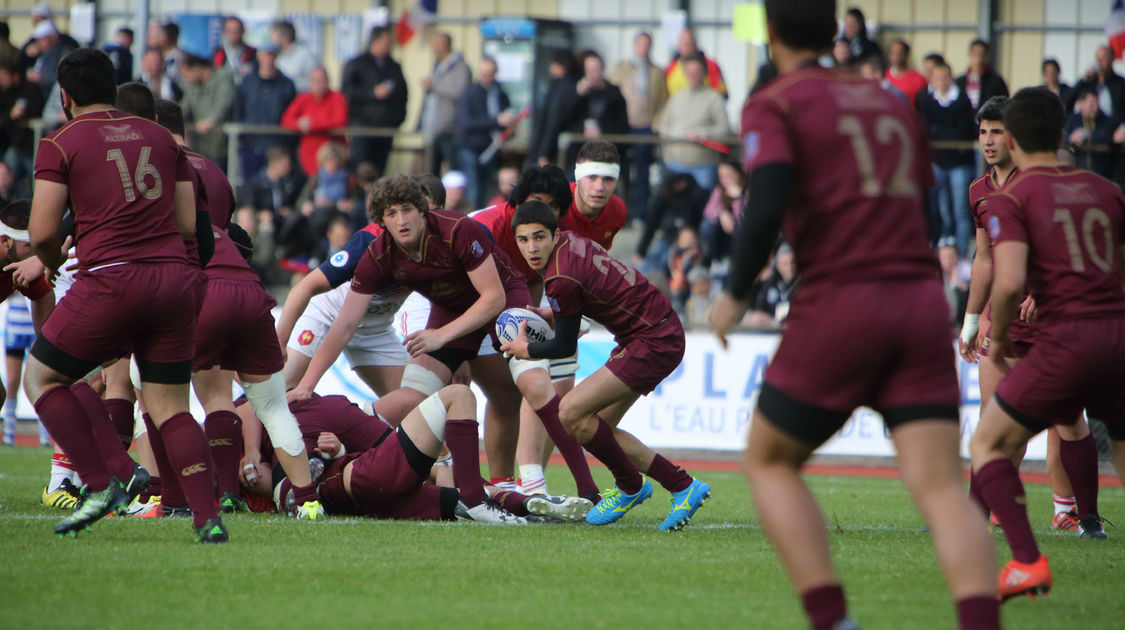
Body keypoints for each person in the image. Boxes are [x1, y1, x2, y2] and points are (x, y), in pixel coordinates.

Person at [710, 1, 1000, 627]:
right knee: (943, 488)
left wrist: (734, 292)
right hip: (920, 301)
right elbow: (922, 205)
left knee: (769, 459)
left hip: (843, 299)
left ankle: (833, 620)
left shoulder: (777, 100)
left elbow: (768, 195)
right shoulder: (889, 99)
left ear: (770, 32)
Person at [24, 49, 227, 541]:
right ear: (114, 91)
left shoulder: (60, 141)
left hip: (112, 279)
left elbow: (44, 231)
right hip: (173, 280)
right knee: (170, 406)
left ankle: (100, 483)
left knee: (42, 378)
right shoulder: (161, 136)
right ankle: (208, 519)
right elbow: (184, 223)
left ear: (66, 96)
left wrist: (52, 267)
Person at [967, 86, 1125, 600]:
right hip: (1117, 336)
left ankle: (1028, 562)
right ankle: (1083, 517)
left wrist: (999, 336)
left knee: (989, 441)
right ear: (1062, 134)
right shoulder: (1107, 190)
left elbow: (1008, 281)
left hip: (1068, 338)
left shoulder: (1016, 197)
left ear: (1010, 138)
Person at [504, 201, 711, 530]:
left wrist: (524, 348)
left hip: (653, 339)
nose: (532, 247)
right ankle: (663, 486)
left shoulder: (560, 276)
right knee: (595, 426)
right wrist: (556, 315)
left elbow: (564, 346)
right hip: (649, 331)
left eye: (539, 237)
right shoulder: (570, 243)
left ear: (555, 234)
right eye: (523, 240)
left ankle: (645, 486)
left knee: (570, 411)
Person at [0, 201, 54, 447]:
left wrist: (45, 348)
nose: (36, 256)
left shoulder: (21, 266)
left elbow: (43, 294)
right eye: (29, 247)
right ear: (5, 241)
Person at [916, 61, 978, 256]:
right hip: (936, 162)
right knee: (939, 210)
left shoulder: (962, 100)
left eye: (945, 77)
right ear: (932, 79)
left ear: (951, 78)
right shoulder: (926, 99)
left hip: (960, 163)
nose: (942, 82)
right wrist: (945, 134)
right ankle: (941, 252)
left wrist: (940, 133)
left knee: (960, 211)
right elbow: (924, 129)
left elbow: (965, 130)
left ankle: (960, 255)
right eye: (938, 78)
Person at [610, 32, 667, 222]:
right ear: (635, 46)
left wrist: (655, 126)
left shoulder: (657, 73)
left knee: (642, 172)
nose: (644, 49)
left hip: (645, 128)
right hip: (623, 128)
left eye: (647, 45)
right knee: (620, 171)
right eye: (641, 45)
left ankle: (640, 214)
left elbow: (662, 103)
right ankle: (620, 213)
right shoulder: (621, 68)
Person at [658, 54, 730, 192]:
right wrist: (668, 156)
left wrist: (702, 135)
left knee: (703, 207)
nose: (693, 75)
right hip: (676, 164)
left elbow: (724, 130)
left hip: (704, 165)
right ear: (685, 74)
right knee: (677, 206)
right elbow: (663, 127)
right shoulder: (676, 97)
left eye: (697, 71)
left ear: (704, 73)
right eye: (690, 72)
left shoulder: (714, 98)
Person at [341, 26, 407, 175]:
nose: (389, 45)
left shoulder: (393, 67)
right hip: (363, 125)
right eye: (386, 41)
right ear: (374, 41)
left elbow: (403, 94)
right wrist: (372, 93)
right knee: (361, 168)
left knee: (379, 170)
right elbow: (347, 91)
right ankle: (360, 197)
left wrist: (398, 120)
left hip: (385, 127)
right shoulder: (357, 64)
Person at [454, 57, 513, 208]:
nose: (486, 77)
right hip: (470, 146)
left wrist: (508, 126)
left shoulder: (500, 93)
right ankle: (469, 222)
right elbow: (466, 123)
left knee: (487, 189)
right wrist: (496, 121)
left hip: (491, 147)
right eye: (484, 73)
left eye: (490, 73)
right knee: (473, 189)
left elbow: (505, 119)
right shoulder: (469, 92)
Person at [234, 41, 297, 183]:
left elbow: (292, 113)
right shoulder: (247, 82)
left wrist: (287, 144)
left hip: (277, 146)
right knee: (250, 187)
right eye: (265, 54)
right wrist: (240, 138)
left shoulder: (287, 84)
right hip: (251, 145)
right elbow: (239, 110)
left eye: (271, 54)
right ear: (258, 56)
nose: (268, 58)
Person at [281, 66, 348, 178]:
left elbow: (339, 122)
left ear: (327, 81)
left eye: (321, 80)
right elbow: (286, 120)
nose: (318, 84)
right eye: (315, 80)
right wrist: (298, 124)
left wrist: (312, 124)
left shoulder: (337, 98)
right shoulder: (303, 98)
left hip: (332, 155)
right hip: (308, 155)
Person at [420, 32, 470, 174]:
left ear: (444, 45)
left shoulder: (460, 67)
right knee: (430, 171)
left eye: (435, 43)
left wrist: (434, 85)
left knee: (454, 171)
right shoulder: (437, 65)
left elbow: (460, 92)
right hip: (432, 129)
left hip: (449, 129)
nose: (432, 47)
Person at [179, 54, 237, 171]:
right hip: (200, 148)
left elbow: (224, 103)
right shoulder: (192, 87)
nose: (186, 78)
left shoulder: (223, 77)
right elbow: (183, 108)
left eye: (187, 74)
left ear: (197, 68)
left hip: (221, 148)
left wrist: (211, 121)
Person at [527, 51, 581, 168]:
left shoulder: (559, 87)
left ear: (561, 67)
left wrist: (544, 152)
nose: (550, 68)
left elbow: (553, 120)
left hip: (553, 149)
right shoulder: (574, 87)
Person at [0, 60, 45, 185]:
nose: (2, 81)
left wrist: (21, 114)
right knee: (4, 178)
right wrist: (11, 115)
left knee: (37, 182)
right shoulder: (4, 93)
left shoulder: (31, 88)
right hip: (15, 145)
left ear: (15, 75)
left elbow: (37, 112)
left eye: (4, 77)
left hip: (33, 146)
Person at [700, 158, 747, 267]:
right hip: (722, 232)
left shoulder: (748, 191)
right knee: (706, 226)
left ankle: (737, 262)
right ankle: (717, 260)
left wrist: (737, 196)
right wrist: (722, 213)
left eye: (729, 174)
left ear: (739, 173)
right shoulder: (720, 190)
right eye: (722, 176)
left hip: (740, 231)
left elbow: (747, 216)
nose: (726, 179)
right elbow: (708, 213)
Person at [1065, 87, 1117, 178]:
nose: (1095, 108)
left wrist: (1086, 134)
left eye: (1097, 103)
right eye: (1091, 104)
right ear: (1081, 104)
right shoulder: (1073, 120)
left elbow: (1108, 136)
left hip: (1101, 173)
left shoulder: (1105, 120)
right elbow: (1065, 139)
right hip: (1078, 172)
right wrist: (1072, 139)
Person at [665, 28, 727, 98]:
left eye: (689, 43)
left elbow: (721, 94)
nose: (687, 47)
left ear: (695, 44)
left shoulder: (711, 66)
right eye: (684, 43)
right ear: (679, 46)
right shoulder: (670, 68)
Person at [24, 21, 74, 100]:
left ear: (53, 37)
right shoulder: (41, 53)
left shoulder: (63, 52)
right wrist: (27, 56)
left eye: (42, 40)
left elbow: (62, 78)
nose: (38, 43)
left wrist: (40, 78)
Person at [1073, 45, 1125, 120]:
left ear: (1112, 59)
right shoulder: (1089, 82)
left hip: (1114, 127)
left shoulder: (1121, 84)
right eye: (1098, 59)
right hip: (1091, 125)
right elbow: (1068, 101)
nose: (1100, 62)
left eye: (1104, 58)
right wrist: (1083, 79)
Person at [956, 39, 1008, 112]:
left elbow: (1004, 104)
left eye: (981, 54)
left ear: (987, 56)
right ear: (969, 55)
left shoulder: (996, 81)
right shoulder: (959, 82)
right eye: (975, 54)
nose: (978, 58)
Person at [272, 20, 317, 93]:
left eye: (274, 36)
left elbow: (314, 80)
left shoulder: (303, 55)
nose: (272, 40)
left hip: (298, 97)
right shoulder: (276, 56)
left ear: (284, 37)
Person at [213, 16, 257, 84]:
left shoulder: (252, 53)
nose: (233, 34)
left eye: (236, 30)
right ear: (223, 32)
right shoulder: (218, 54)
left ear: (242, 32)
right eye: (229, 31)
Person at [885, 39, 927, 105]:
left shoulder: (918, 79)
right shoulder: (883, 76)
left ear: (907, 54)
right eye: (892, 52)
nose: (895, 55)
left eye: (899, 52)